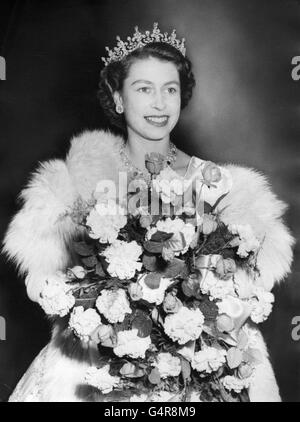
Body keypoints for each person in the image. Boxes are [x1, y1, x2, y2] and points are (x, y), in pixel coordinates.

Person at [3, 23, 294, 402]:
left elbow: (249, 285)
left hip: (198, 362)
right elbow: (43, 281)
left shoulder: (218, 185)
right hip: (100, 364)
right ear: (119, 98)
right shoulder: (78, 185)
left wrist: (202, 317)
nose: (159, 104)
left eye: (169, 90)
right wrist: (100, 312)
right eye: (144, 89)